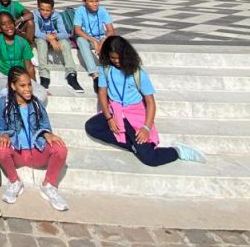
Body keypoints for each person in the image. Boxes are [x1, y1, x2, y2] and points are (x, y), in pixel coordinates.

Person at [85, 36, 205, 166]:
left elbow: (150, 102)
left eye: (119, 57)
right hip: (116, 111)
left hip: (134, 114)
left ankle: (177, 151)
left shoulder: (138, 73)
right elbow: (102, 92)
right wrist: (109, 118)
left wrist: (146, 128)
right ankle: (133, 146)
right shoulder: (106, 68)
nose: (117, 61)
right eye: (113, 58)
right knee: (91, 127)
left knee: (150, 159)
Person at [0, 66, 69, 211]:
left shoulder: (36, 103)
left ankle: (49, 185)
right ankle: (14, 182)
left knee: (60, 148)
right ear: (13, 86)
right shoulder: (4, 103)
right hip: (17, 152)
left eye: (29, 84)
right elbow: (1, 126)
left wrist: (47, 133)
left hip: (37, 151)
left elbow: (45, 125)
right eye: (22, 85)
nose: (28, 89)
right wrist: (4, 135)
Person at [0, 12, 47, 102]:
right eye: (4, 24)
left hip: (20, 75)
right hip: (2, 75)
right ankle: (16, 100)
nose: (8, 26)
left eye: (10, 23)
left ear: (14, 24)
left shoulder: (22, 42)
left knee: (42, 94)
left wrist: (34, 85)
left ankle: (17, 100)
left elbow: (29, 67)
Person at [34, 0, 83, 92]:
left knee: (64, 43)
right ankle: (44, 74)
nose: (45, 12)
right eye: (42, 9)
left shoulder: (57, 16)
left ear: (52, 10)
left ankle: (71, 74)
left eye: (48, 10)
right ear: (38, 8)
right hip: (42, 39)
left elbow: (65, 34)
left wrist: (55, 37)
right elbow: (36, 33)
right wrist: (50, 39)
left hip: (55, 38)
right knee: (41, 43)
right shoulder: (35, 15)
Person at [73, 0, 115, 91]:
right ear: (84, 1)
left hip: (101, 38)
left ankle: (112, 72)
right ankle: (95, 75)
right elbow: (77, 30)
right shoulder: (80, 11)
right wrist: (94, 41)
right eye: (91, 1)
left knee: (113, 40)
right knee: (81, 40)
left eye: (96, 1)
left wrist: (104, 40)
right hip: (88, 39)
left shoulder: (102, 10)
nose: (95, 4)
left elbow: (110, 30)